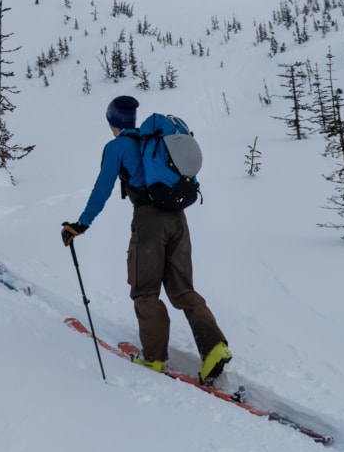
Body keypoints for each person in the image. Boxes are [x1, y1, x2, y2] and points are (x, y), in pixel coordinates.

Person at [61, 95, 231, 386]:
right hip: (178, 217)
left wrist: (81, 225)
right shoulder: (152, 140)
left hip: (149, 221)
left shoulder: (116, 147)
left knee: (144, 290)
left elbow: (102, 188)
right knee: (182, 289)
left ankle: (153, 358)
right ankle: (215, 346)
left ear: (112, 122)